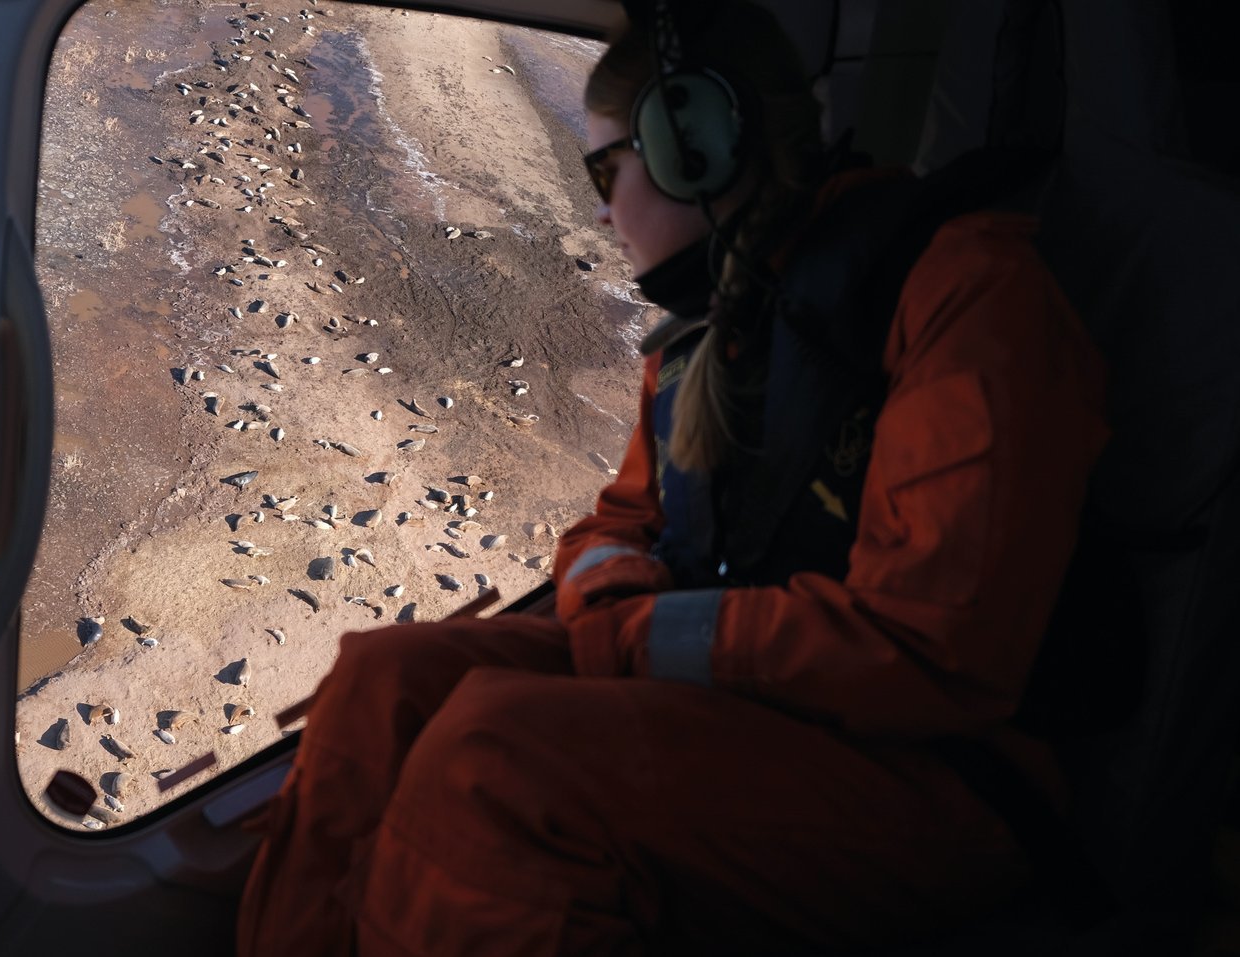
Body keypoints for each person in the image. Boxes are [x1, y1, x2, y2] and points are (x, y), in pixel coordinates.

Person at [236, 3, 1108, 954]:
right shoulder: (710, 327)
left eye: (609, 168)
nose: (604, 210)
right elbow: (619, 521)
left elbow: (938, 650)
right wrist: (614, 592)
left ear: (700, 147)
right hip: (749, 702)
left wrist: (649, 638)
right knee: (381, 682)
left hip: (935, 771)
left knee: (498, 758)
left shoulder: (964, 293)